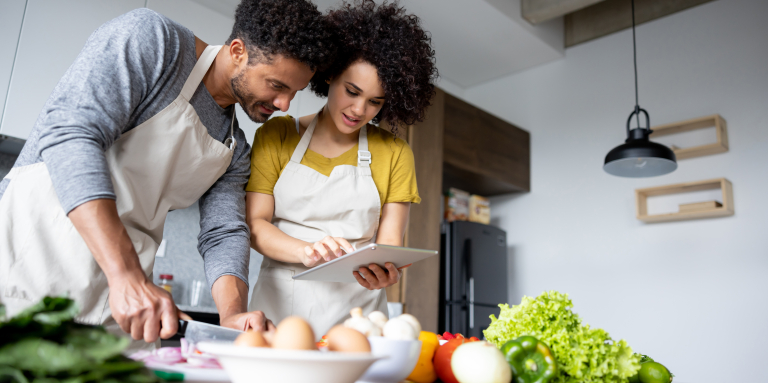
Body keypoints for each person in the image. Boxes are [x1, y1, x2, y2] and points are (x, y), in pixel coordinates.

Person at [0, 0, 333, 350]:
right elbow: (71, 135)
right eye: (277, 85)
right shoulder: (155, 42)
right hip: (31, 262)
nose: (284, 105)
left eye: (294, 93)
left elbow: (224, 233)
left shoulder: (233, 146)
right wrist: (125, 274)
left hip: (121, 307)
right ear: (237, 51)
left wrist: (232, 313)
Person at [245, 0, 438, 336]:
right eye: (352, 91)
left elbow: (389, 243)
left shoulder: (394, 152)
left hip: (358, 321)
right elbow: (255, 224)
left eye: (375, 101)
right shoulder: (278, 135)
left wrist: (388, 271)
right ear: (330, 73)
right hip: (277, 316)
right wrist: (307, 251)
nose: (359, 109)